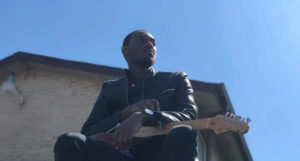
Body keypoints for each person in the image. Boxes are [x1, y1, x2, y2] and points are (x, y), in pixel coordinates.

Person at [54, 30, 199, 161]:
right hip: (117, 155)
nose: (150, 45)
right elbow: (88, 131)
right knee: (69, 141)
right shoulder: (110, 88)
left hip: (161, 154)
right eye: (141, 40)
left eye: (153, 43)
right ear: (125, 51)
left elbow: (189, 115)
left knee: (184, 132)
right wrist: (123, 115)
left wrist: (145, 115)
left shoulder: (176, 79)